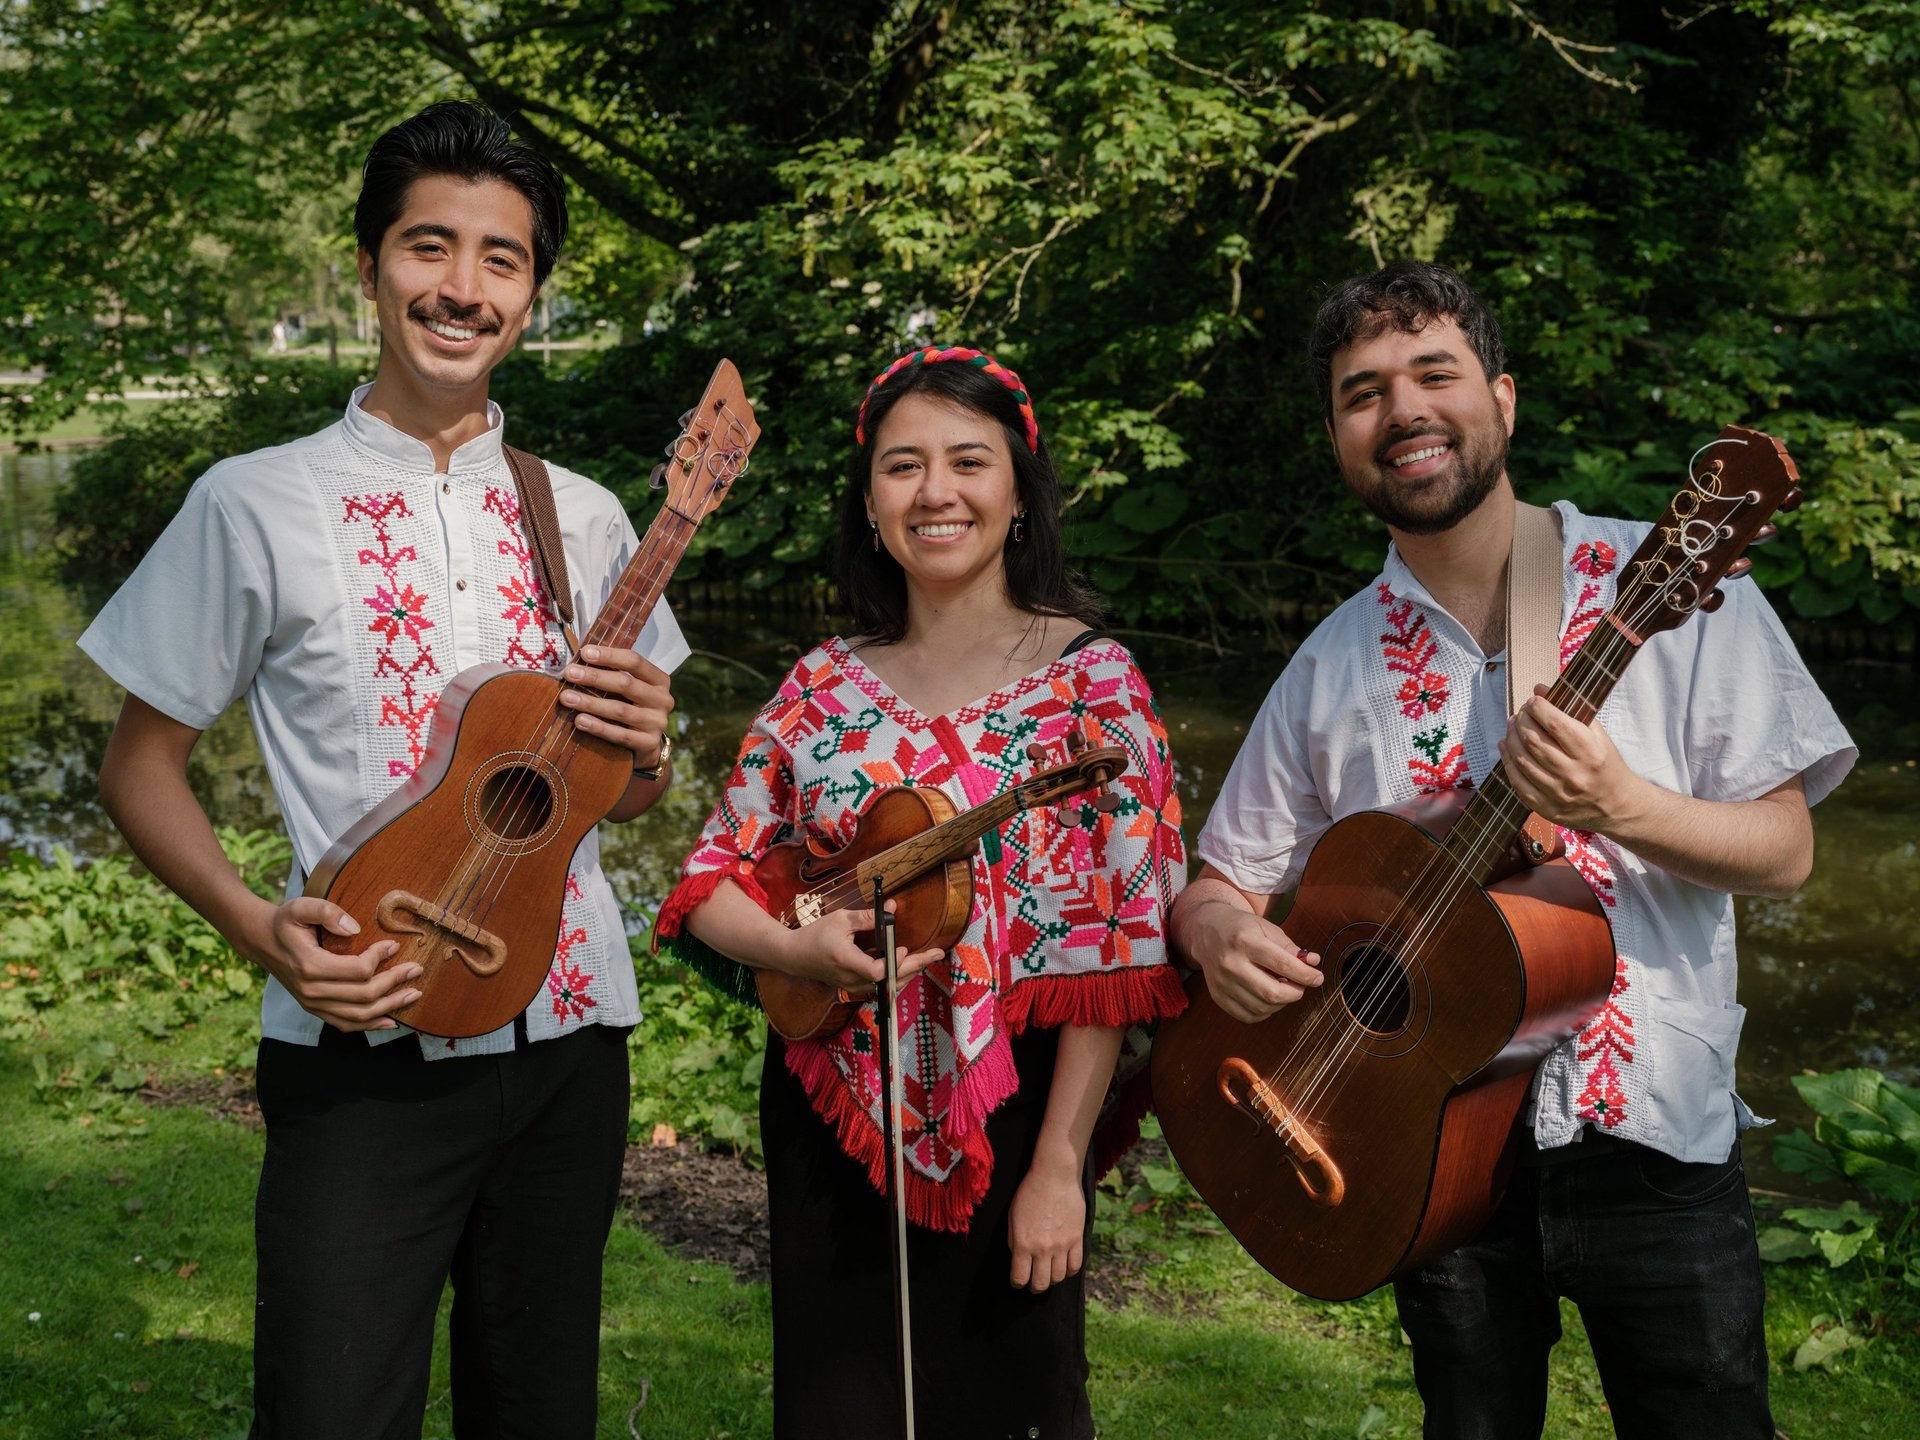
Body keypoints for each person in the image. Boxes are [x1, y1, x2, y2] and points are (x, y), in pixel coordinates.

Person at [79, 102, 688, 1439]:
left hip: (575, 1040)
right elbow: (138, 765)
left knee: (540, 1409)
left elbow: (624, 792)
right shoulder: (254, 502)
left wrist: (645, 750)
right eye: (429, 246)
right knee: (332, 1410)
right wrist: (261, 930)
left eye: (503, 259)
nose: (462, 288)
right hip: (365, 1038)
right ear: (368, 268)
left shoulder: (584, 514)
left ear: (532, 293)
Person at [1171, 261, 1855, 1438]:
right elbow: (1218, 879)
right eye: (1364, 393)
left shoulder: (1676, 579)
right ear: (1340, 437)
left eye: (1434, 373)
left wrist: (1626, 806)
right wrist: (1223, 930)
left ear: (1503, 398)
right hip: (1422, 1142)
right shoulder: (1329, 664)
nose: (1404, 412)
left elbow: (1786, 851)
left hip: (1650, 1131)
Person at [652, 345, 1189, 1438]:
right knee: (837, 1405)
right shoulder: (818, 684)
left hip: (1018, 1100)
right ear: (870, 503)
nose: (935, 492)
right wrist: (793, 953)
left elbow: (1121, 952)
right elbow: (707, 880)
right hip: (831, 1097)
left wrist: (1059, 1168)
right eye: (903, 466)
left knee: (1020, 1401)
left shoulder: (1096, 682)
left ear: (1020, 496)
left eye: (967, 462)